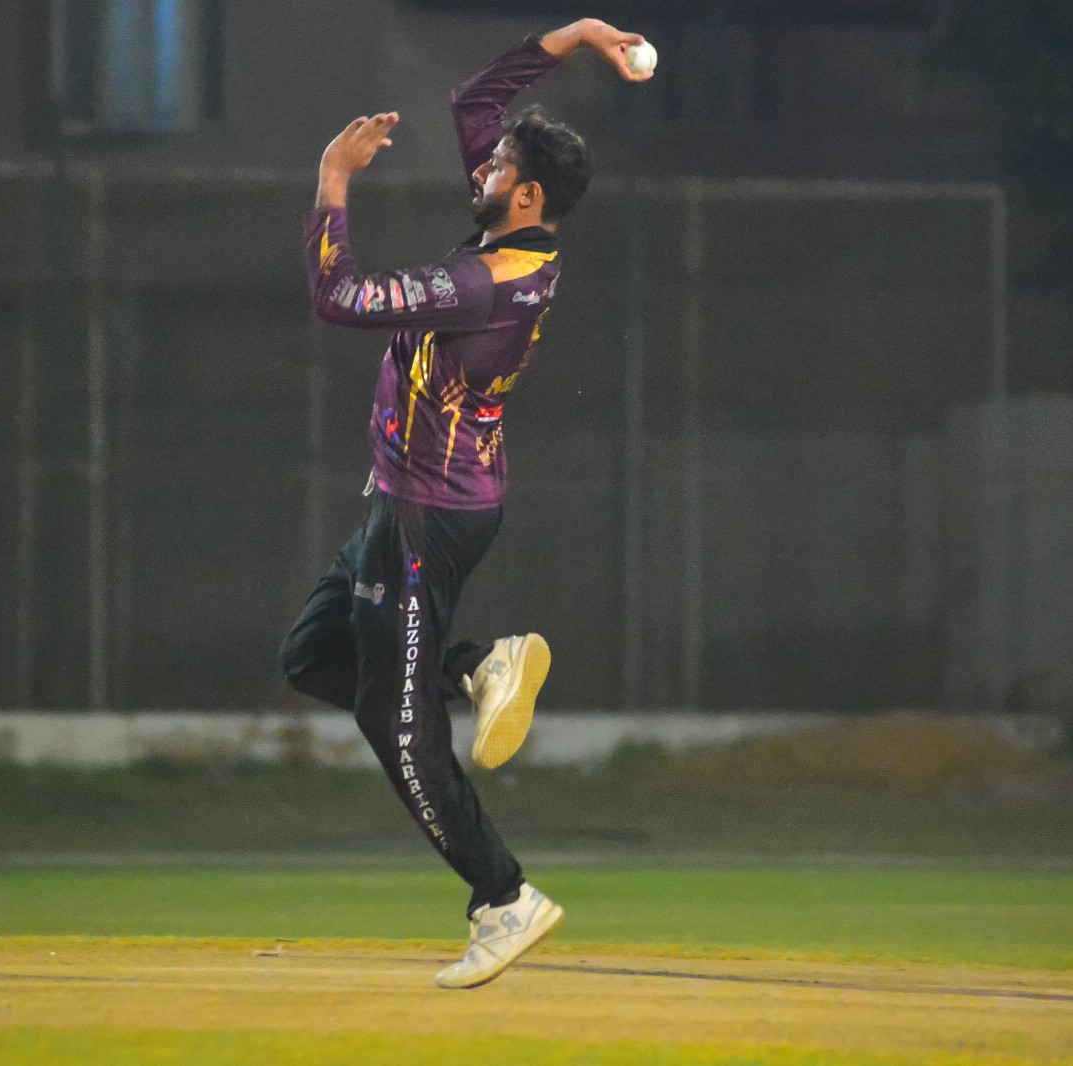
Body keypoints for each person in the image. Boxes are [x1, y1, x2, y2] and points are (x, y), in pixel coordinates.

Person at [279, 20, 652, 989]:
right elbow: (473, 103)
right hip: (416, 506)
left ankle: (503, 897)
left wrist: (332, 181)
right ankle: (478, 665)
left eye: (498, 166)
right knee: (313, 657)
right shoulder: (511, 235)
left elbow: (339, 297)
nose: (480, 165)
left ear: (526, 196)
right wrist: (575, 35)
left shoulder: (483, 281)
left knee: (397, 726)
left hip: (424, 518)